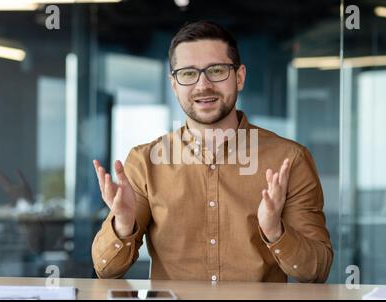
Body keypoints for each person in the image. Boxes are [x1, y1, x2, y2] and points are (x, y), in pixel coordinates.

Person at [91, 20, 333, 282]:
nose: (202, 85)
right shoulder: (144, 162)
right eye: (187, 73)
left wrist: (276, 231)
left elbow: (316, 271)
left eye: (216, 71)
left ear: (239, 77)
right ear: (174, 85)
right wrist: (123, 225)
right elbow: (106, 269)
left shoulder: (290, 160)